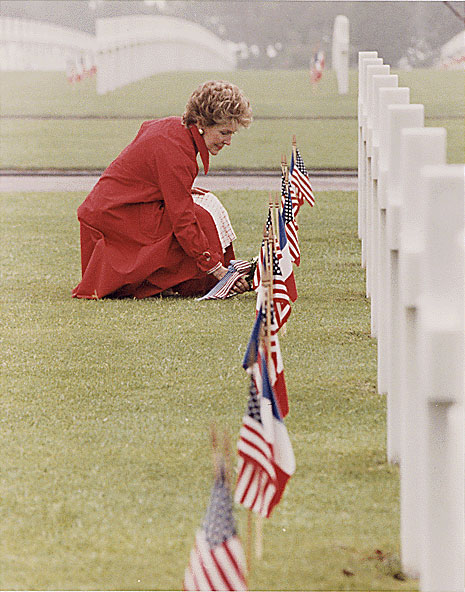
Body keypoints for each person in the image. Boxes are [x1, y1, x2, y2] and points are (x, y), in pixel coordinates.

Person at [72, 80, 253, 300]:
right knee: (199, 218)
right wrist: (213, 267)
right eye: (224, 132)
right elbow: (183, 220)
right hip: (113, 218)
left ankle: (227, 275)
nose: (228, 141)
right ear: (203, 123)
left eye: (232, 134)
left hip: (117, 209)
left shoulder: (175, 129)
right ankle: (213, 279)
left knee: (206, 203)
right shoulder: (176, 150)